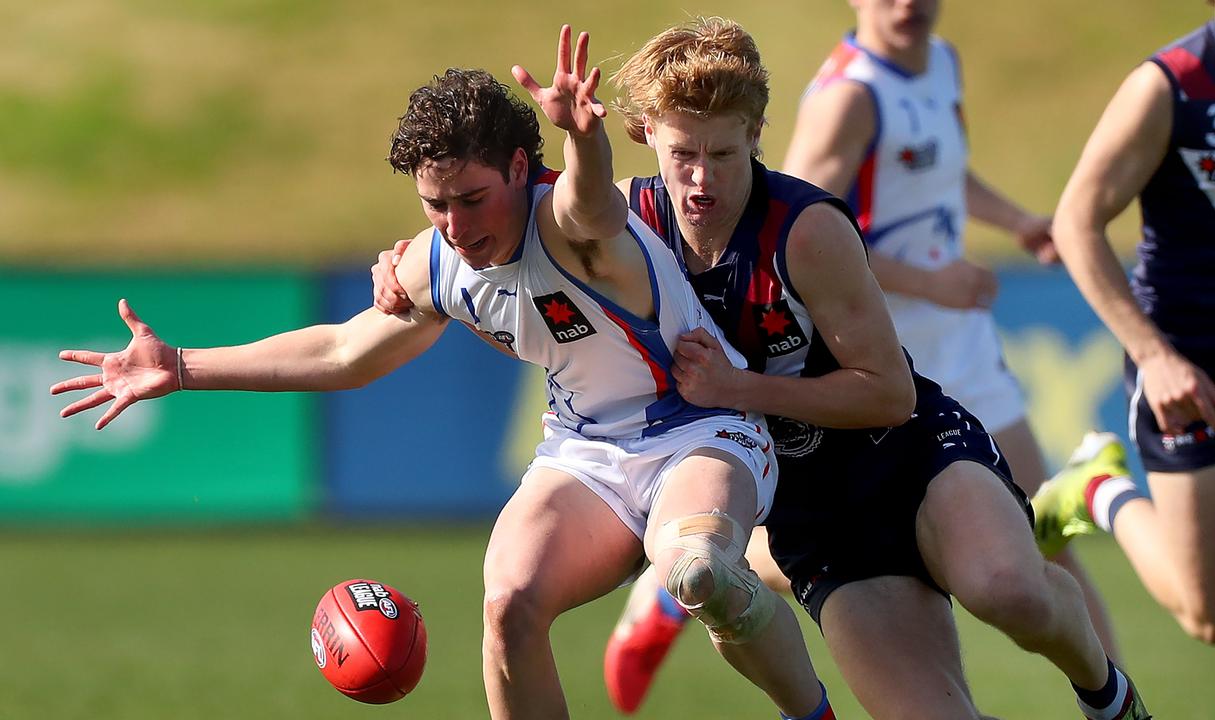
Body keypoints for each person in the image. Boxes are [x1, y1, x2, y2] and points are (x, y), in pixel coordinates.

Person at [50, 27, 837, 720]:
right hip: (585, 453)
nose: (456, 228)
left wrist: (585, 140)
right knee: (507, 605)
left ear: (522, 168)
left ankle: (811, 716)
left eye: (471, 199)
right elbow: (344, 352)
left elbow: (590, 201)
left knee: (697, 570)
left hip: (699, 430)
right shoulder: (437, 263)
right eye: (434, 206)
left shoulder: (570, 225)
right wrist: (181, 366)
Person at [373, 17, 1149, 720]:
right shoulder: (618, 228)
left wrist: (738, 388)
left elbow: (888, 394)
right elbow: (501, 239)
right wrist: (406, 261)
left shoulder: (805, 229)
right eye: (683, 155)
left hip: (908, 456)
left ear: (756, 135)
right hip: (815, 520)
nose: (702, 179)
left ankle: (1107, 695)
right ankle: (670, 592)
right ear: (645, 136)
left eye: (723, 153)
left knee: (1007, 589)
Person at [779, 0, 1120, 660]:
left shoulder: (942, 62)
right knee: (872, 554)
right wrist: (935, 283)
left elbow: (941, 170)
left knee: (1048, 538)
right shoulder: (849, 99)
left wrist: (1015, 219)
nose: (907, 4)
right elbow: (797, 242)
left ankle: (1119, 703)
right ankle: (684, 586)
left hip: (961, 345)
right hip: (876, 361)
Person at [1036, 0, 1215, 647]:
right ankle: (1100, 491)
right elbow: (1075, 223)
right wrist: (1155, 357)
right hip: (1189, 360)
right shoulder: (1170, 84)